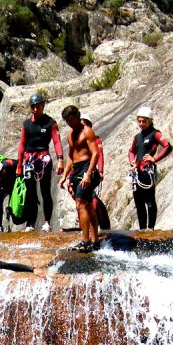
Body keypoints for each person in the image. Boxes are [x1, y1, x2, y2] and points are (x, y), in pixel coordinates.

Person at [15, 93, 64, 232]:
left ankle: (47, 222)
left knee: (45, 192)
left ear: (43, 105)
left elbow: (56, 141)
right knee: (30, 193)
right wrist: (19, 165)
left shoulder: (50, 123)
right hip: (29, 159)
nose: (36, 109)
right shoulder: (26, 124)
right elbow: (22, 145)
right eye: (33, 106)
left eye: (38, 106)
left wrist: (60, 159)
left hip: (44, 158)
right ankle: (31, 223)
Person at [60, 105, 102, 252]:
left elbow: (95, 154)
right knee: (88, 205)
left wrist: (89, 173)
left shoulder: (87, 132)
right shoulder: (70, 135)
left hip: (86, 168)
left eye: (71, 120)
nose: (70, 123)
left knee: (80, 204)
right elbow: (71, 156)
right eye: (67, 121)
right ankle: (95, 240)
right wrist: (64, 176)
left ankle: (85, 241)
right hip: (76, 169)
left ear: (78, 117)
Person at [128, 105, 171, 230]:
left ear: (150, 120)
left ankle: (150, 228)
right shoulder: (138, 137)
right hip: (137, 172)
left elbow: (167, 146)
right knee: (138, 201)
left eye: (144, 121)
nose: (141, 123)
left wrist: (154, 159)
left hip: (148, 171)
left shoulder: (155, 134)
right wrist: (132, 162)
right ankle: (142, 229)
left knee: (150, 200)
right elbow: (131, 151)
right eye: (139, 121)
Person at [80, 114, 110, 231]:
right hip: (79, 173)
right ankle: (85, 227)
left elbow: (100, 155)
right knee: (81, 201)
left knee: (90, 198)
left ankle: (98, 225)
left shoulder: (95, 139)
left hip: (90, 172)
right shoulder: (76, 139)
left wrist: (101, 171)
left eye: (85, 124)